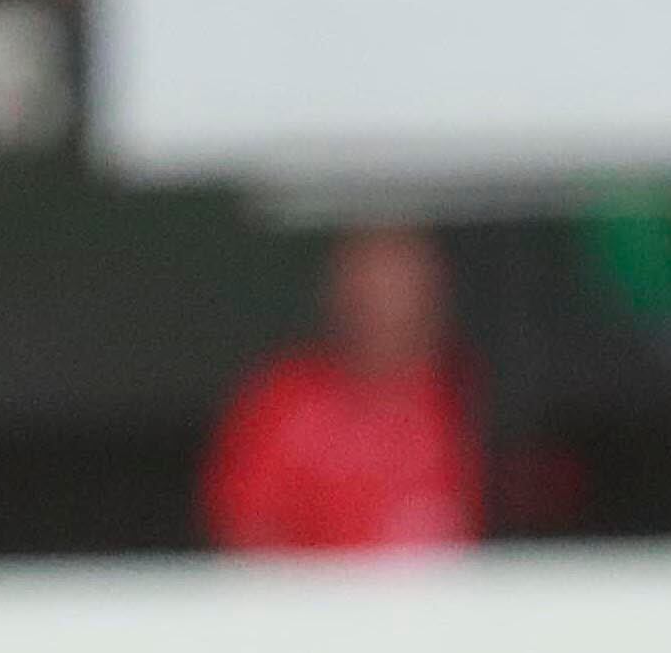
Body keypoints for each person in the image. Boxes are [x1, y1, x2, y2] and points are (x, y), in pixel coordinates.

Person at [201, 222, 484, 557]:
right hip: (314, 605)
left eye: (399, 289)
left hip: (455, 605)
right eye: (368, 289)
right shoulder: (283, 400)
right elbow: (245, 536)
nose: (382, 309)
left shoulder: (463, 395)